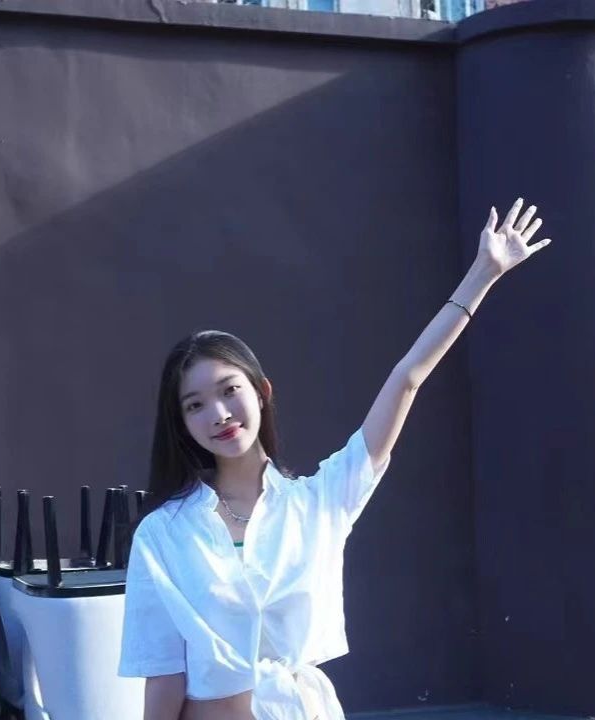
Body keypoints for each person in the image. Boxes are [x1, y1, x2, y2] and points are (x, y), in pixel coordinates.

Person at [117, 199, 552, 720]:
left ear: (261, 392)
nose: (219, 414)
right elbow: (163, 671)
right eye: (195, 405)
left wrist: (483, 274)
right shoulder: (164, 534)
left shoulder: (319, 502)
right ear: (182, 424)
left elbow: (407, 378)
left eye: (230, 390)